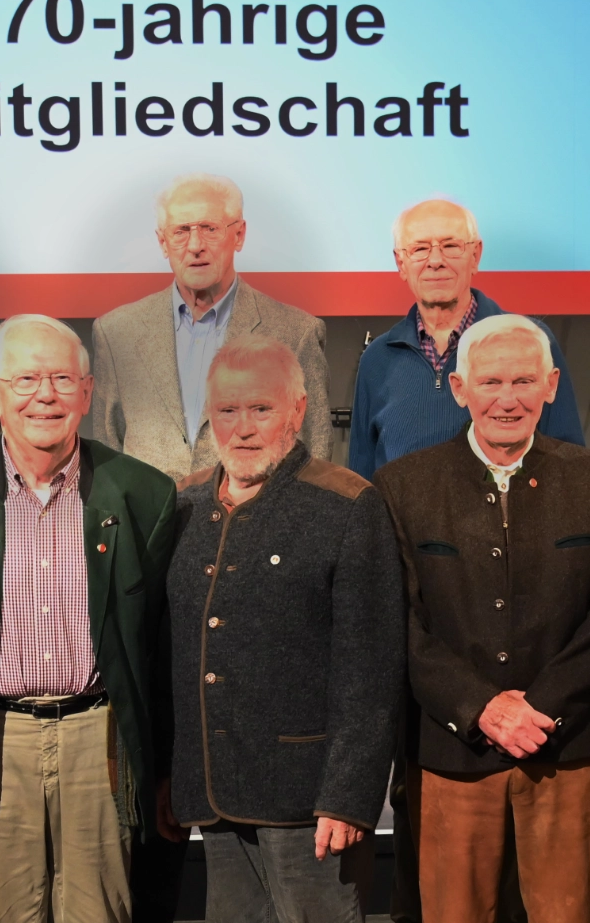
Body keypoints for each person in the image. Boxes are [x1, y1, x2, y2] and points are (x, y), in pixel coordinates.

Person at [0, 314, 178, 923]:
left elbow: (152, 641)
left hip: (97, 740)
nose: (44, 395)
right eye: (25, 379)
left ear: (87, 392)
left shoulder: (144, 492)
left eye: (60, 378)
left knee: (99, 913)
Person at [375, 313, 590, 923]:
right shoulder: (403, 487)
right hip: (451, 752)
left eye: (524, 382)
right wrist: (481, 707)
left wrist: (541, 704)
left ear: (550, 385)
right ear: (459, 388)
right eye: (490, 383)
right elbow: (397, 623)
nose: (508, 399)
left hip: (565, 748)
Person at [168, 335, 405, 922]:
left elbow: (371, 673)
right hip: (212, 791)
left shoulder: (347, 505)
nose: (242, 428)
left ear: (297, 411)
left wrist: (349, 798)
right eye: (227, 410)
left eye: (261, 409)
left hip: (310, 802)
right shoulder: (184, 504)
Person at [91, 173, 331, 482]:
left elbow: (314, 464)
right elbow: (108, 461)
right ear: (163, 242)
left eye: (209, 229)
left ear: (239, 235)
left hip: (256, 525)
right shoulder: (116, 333)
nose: (195, 246)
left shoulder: (296, 333)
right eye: (181, 231)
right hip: (150, 528)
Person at [349, 198, 586, 480]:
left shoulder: (529, 342)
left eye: (450, 246)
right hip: (400, 524)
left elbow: (569, 463)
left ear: (475, 256)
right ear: (401, 263)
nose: (435, 261)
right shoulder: (377, 358)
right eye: (420, 249)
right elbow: (360, 479)